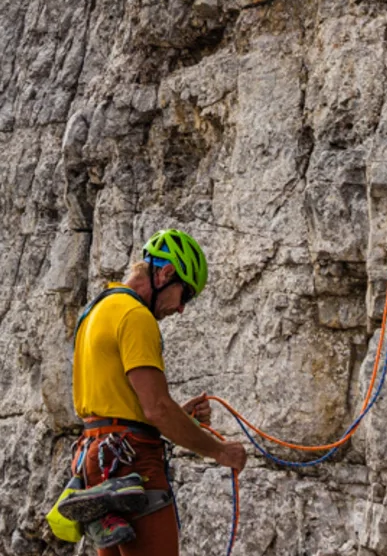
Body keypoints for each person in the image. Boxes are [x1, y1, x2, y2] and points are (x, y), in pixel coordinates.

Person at [60, 228, 247, 554]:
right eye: (185, 294)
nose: (181, 309)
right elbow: (157, 409)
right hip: (131, 462)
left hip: (94, 459)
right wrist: (221, 451)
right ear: (166, 273)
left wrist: (182, 415)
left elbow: (115, 403)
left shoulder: (95, 311)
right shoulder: (136, 316)